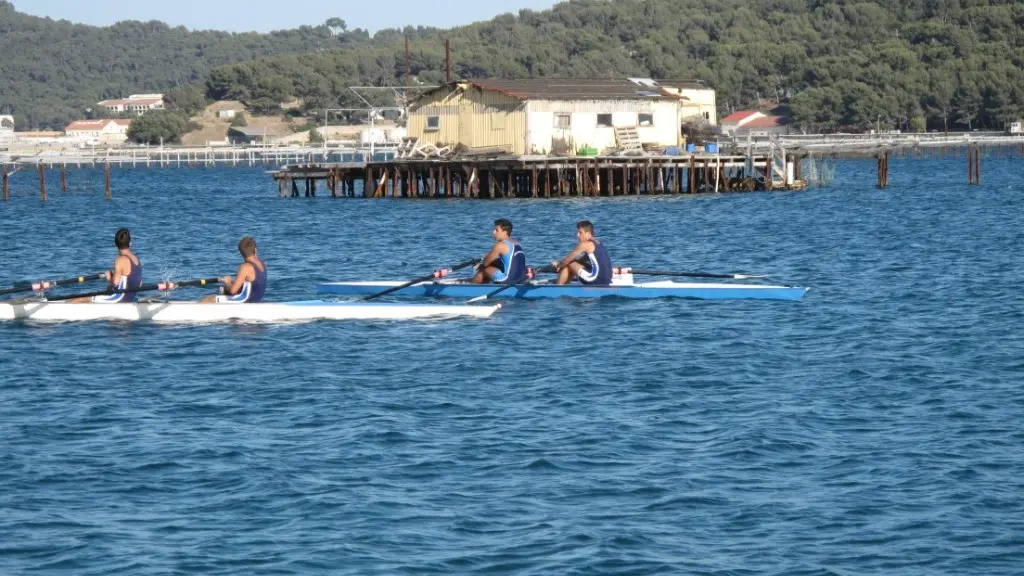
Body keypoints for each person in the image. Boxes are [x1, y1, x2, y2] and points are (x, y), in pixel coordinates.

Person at [70, 228, 143, 303]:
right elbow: (139, 283)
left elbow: (115, 283)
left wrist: (109, 278)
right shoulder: (137, 259)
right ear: (130, 243)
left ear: (115, 244)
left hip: (118, 298)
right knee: (92, 297)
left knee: (77, 299)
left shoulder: (120, 260)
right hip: (130, 298)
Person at [201, 236, 267, 303]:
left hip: (245, 300)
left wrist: (227, 282)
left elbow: (233, 291)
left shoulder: (245, 267)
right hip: (256, 300)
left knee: (207, 299)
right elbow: (252, 282)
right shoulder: (262, 264)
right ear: (255, 249)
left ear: (240, 253)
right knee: (223, 290)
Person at [552, 220, 613, 286]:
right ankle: (565, 286)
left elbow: (567, 261)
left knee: (569, 263)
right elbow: (581, 260)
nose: (577, 235)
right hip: (606, 280)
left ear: (588, 233)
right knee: (572, 263)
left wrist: (558, 265)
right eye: (577, 233)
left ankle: (558, 288)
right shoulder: (598, 243)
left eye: (580, 233)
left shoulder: (585, 244)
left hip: (596, 280)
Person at [472, 218, 527, 284]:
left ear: (504, 232)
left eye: (496, 230)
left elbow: (485, 263)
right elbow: (511, 263)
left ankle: (470, 289)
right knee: (495, 266)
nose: (493, 232)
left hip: (507, 280)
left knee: (484, 270)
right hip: (521, 280)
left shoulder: (500, 245)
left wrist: (486, 256)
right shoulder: (517, 244)